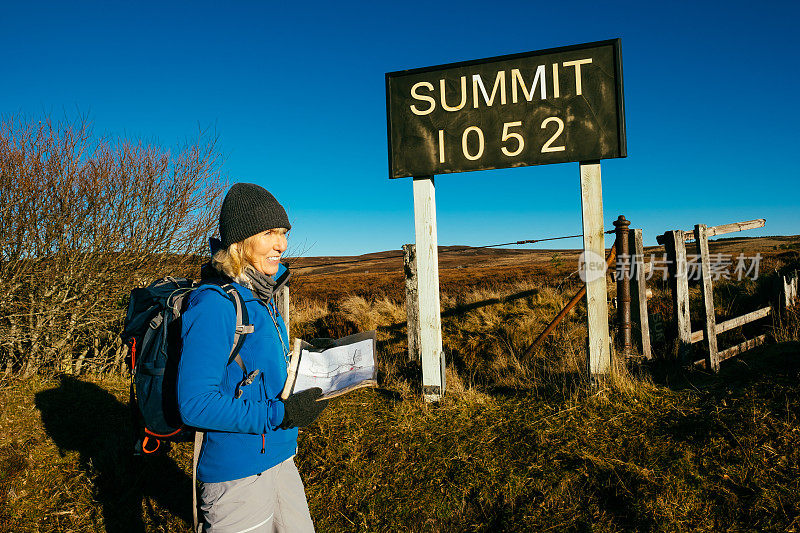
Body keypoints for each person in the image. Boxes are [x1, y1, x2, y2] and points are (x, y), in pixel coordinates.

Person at [177, 183, 328, 532]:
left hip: (280, 458)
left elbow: (260, 375)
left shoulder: (262, 296)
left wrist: (309, 361)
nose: (282, 244)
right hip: (237, 478)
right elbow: (195, 404)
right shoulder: (215, 305)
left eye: (284, 233)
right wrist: (281, 413)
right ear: (240, 242)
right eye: (270, 233)